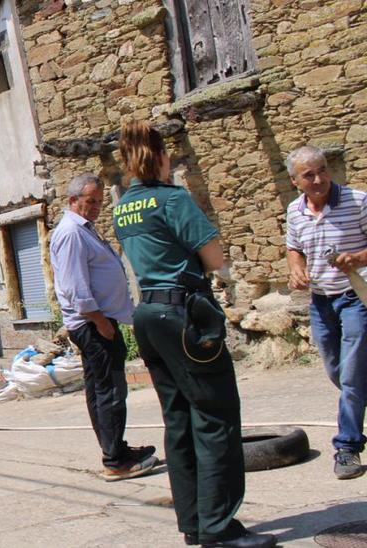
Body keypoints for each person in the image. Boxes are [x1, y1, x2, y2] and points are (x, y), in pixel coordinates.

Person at [113, 121, 273, 548]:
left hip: (147, 314)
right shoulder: (172, 199)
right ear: (161, 156)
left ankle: (195, 524)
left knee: (179, 420)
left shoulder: (122, 207)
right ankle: (220, 528)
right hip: (184, 315)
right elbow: (215, 258)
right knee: (215, 417)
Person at [49, 173, 158, 481]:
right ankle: (115, 460)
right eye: (89, 201)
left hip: (97, 320)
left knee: (101, 390)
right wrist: (99, 321)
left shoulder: (83, 229)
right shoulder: (71, 233)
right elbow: (74, 286)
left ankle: (116, 449)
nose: (96, 207)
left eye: (99, 201)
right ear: (72, 201)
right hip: (93, 322)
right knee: (110, 390)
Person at [284, 144, 367, 480]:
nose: (318, 179)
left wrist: (359, 258)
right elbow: (293, 247)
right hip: (320, 302)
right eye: (309, 174)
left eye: (322, 170)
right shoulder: (294, 211)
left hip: (356, 297)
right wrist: (296, 269)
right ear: (295, 181)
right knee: (338, 371)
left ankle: (347, 447)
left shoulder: (357, 201)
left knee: (350, 375)